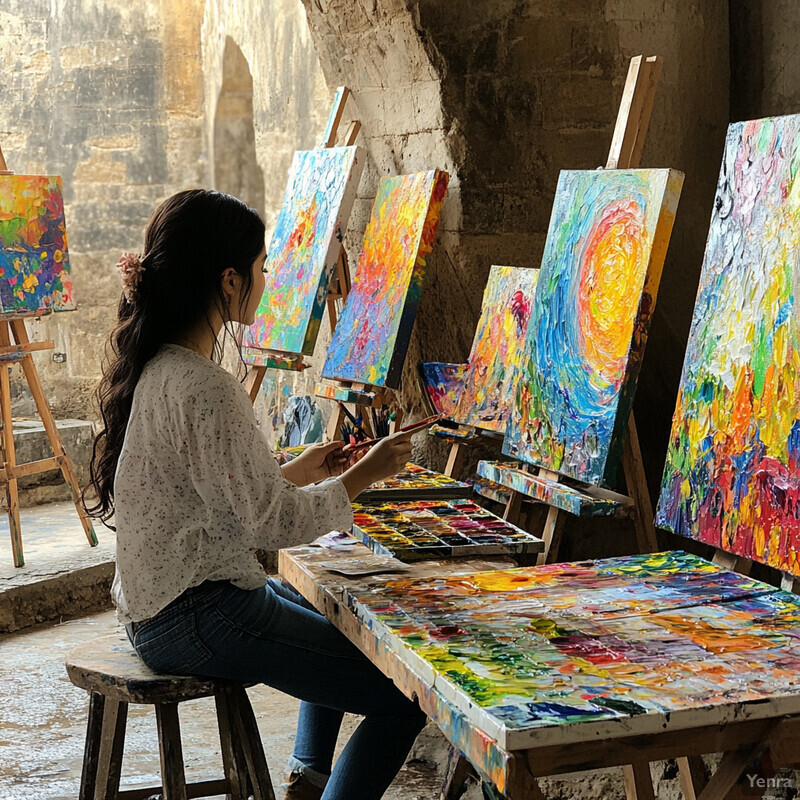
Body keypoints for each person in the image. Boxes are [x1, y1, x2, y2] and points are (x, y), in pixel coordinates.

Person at [84, 189, 428, 800]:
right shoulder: (208, 387)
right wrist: (361, 477)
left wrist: (297, 468)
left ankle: (308, 774)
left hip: (162, 604)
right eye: (262, 267)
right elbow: (267, 523)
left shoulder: (162, 367)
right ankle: (321, 780)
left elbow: (220, 495)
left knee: (334, 619)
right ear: (228, 281)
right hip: (195, 614)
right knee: (403, 695)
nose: (268, 279)